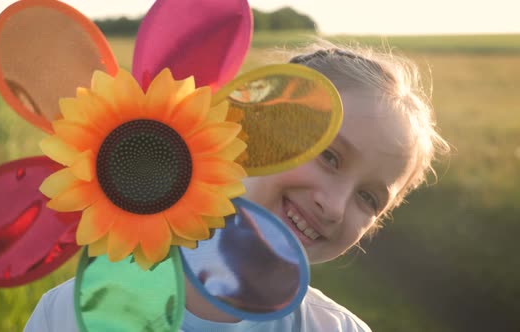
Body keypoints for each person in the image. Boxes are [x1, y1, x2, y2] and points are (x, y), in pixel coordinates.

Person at [23, 40, 450, 332]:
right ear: (250, 130)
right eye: (330, 156)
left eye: (369, 198)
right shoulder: (69, 315)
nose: (336, 206)